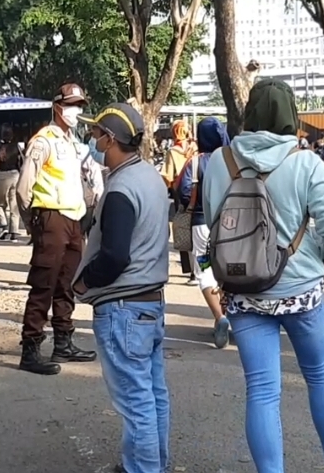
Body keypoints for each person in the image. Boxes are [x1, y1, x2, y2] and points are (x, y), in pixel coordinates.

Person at [202, 78, 324, 473]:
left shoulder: (221, 161)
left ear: (250, 113)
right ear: (290, 115)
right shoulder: (305, 161)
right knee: (320, 377)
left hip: (244, 292)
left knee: (262, 391)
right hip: (300, 289)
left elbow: (214, 219)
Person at [72, 103, 170, 473]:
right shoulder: (149, 176)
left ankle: (143, 469)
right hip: (150, 303)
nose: (93, 140)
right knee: (153, 395)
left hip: (124, 308)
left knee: (136, 402)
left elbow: (114, 256)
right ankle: (152, 465)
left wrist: (82, 282)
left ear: (111, 139)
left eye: (96, 134)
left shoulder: (122, 187)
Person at [15, 83, 96, 376]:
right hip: (51, 218)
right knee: (43, 284)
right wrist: (33, 224)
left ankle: (64, 340)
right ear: (58, 107)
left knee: (67, 283)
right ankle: (31, 347)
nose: (77, 111)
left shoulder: (72, 141)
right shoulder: (44, 141)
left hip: (74, 220)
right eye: (72, 105)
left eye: (80, 105)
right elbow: (24, 188)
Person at [178, 116, 232, 348]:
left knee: (205, 269)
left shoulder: (195, 162)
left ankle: (220, 317)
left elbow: (182, 191)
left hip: (201, 226)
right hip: (231, 225)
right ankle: (237, 316)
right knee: (232, 269)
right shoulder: (233, 160)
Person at [162, 120, 198, 285]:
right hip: (197, 192)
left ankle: (190, 270)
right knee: (198, 230)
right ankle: (200, 270)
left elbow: (168, 176)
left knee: (183, 228)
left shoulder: (172, 152)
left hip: (181, 194)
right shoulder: (195, 149)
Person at [0, 125, 23, 241]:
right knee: (14, 204)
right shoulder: (17, 146)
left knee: (0, 204)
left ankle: (4, 225)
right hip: (15, 175)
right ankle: (14, 232)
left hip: (3, 174)